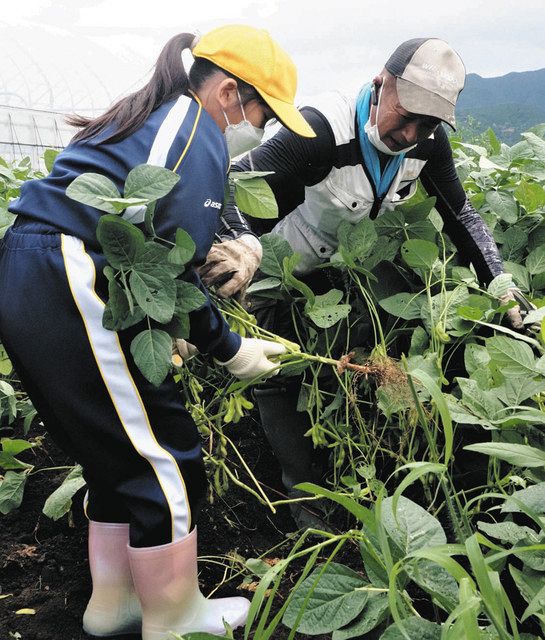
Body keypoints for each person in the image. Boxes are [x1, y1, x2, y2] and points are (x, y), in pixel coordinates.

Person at [0, 25, 315, 639]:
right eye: (263, 114)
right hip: (70, 274)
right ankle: (176, 619)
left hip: (31, 271)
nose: (262, 130)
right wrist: (231, 350)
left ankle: (114, 605)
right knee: (165, 456)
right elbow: (174, 270)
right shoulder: (195, 135)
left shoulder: (162, 120)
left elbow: (168, 239)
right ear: (229, 92)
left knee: (112, 454)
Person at [198, 37, 532, 527]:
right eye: (408, 114)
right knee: (277, 374)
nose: (412, 132)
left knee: (349, 358)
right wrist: (239, 244)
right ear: (382, 83)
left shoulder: (427, 144)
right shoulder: (319, 130)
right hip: (275, 264)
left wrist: (501, 282)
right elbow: (228, 183)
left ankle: (351, 467)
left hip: (343, 266)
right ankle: (300, 498)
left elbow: (461, 213)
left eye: (429, 123)